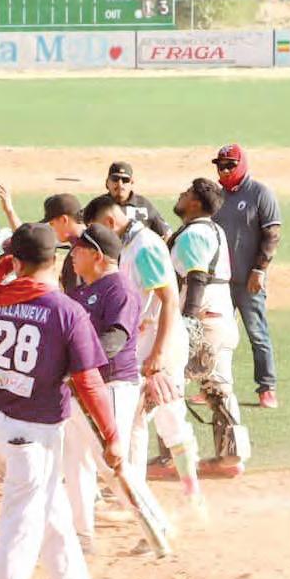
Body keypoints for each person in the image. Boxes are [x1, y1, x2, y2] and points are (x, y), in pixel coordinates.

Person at [0, 222, 117, 579]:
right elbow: (89, 382)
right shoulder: (66, 310)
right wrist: (112, 436)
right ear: (56, 258)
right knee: (20, 534)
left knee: (56, 522)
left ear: (16, 260)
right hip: (34, 437)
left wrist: (0, 267)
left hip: (0, 426)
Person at [83, 195, 204, 511]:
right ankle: (134, 496)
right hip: (141, 346)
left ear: (110, 222)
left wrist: (159, 354)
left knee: (170, 417)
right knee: (134, 420)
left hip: (161, 346)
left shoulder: (144, 247)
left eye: (96, 229)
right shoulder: (127, 246)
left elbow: (170, 300)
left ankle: (192, 494)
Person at [62, 223, 147, 552]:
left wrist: (77, 364)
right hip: (81, 387)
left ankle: (154, 527)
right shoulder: (83, 289)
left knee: (111, 464)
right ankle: (82, 536)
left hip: (110, 386)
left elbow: (115, 339)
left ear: (97, 255)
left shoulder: (119, 288)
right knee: (75, 461)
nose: (72, 255)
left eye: (79, 249)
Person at [170, 178, 248, 476]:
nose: (181, 194)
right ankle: (231, 457)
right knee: (219, 389)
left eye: (186, 192)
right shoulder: (212, 230)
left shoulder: (195, 234)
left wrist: (189, 320)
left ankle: (169, 458)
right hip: (220, 316)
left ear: (195, 203)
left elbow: (197, 277)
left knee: (168, 384)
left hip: (204, 319)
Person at [212, 144, 282, 408]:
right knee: (216, 334)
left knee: (257, 333)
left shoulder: (260, 193)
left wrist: (259, 270)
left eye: (230, 165)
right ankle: (214, 386)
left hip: (248, 279)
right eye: (221, 165)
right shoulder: (217, 197)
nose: (224, 170)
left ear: (241, 164)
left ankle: (267, 387)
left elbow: (272, 235)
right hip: (220, 281)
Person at [101, 162, 171, 239]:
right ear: (107, 183)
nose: (120, 184)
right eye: (115, 179)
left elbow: (166, 233)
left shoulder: (144, 205)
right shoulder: (99, 206)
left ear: (132, 183)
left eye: (125, 180)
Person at [42, 194, 85, 295]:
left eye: (52, 224)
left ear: (63, 220)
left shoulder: (77, 255)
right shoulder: (96, 239)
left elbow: (74, 298)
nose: (51, 229)